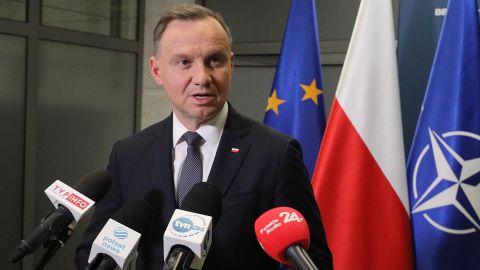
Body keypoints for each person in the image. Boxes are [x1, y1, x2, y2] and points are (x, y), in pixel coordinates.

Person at [75, 4, 332, 270]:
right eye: (184, 62)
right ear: (157, 70)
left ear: (231, 64)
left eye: (215, 60)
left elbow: (314, 261)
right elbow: (91, 256)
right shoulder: (128, 154)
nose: (202, 77)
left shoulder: (276, 153)